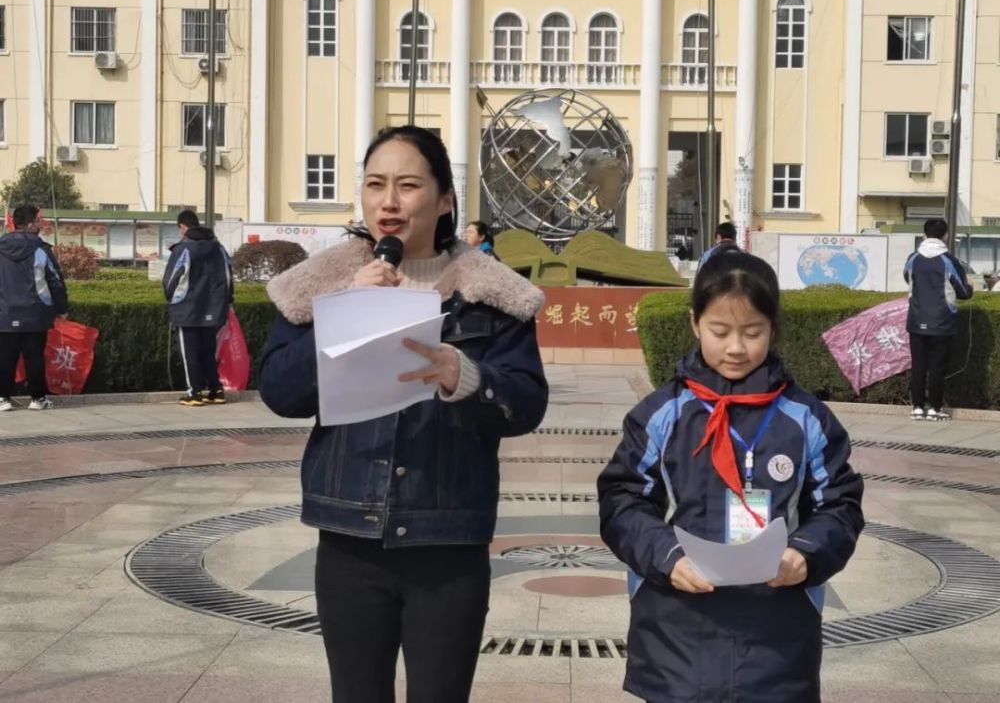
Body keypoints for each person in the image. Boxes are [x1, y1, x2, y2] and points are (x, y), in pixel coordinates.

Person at [259, 126, 548, 703]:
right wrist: (343, 312)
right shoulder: (321, 287)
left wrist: (463, 376)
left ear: (443, 200)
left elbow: (526, 402)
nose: (389, 201)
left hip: (449, 540)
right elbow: (279, 392)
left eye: (408, 185)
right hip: (349, 538)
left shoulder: (493, 297)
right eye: (375, 185)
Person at [598, 249, 864, 703]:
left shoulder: (805, 418)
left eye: (753, 332)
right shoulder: (662, 414)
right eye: (720, 331)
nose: (736, 347)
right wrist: (667, 556)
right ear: (695, 324)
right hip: (676, 620)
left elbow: (839, 504)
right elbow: (622, 500)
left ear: (773, 329)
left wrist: (805, 553)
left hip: (777, 626)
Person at [904, 218, 974, 421]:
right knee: (937, 366)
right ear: (946, 236)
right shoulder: (949, 260)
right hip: (942, 322)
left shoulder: (913, 258)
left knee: (918, 365)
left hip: (916, 320)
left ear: (924, 236)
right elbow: (962, 292)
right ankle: (934, 408)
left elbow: (908, 278)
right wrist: (970, 289)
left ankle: (917, 407)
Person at [0, 205, 68, 412]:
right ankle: (38, 399)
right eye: (39, 221)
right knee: (35, 357)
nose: (41, 224)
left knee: (4, 357)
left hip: (4, 313)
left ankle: (3, 399)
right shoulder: (41, 250)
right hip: (35, 313)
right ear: (30, 225)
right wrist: (62, 308)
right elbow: (55, 281)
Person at [163, 210, 233, 407]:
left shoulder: (183, 249)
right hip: (214, 309)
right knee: (208, 352)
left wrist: (171, 300)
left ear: (183, 227)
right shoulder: (218, 248)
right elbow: (229, 277)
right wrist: (227, 302)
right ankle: (216, 390)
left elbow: (171, 281)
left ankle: (193, 393)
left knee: (190, 353)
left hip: (188, 309)